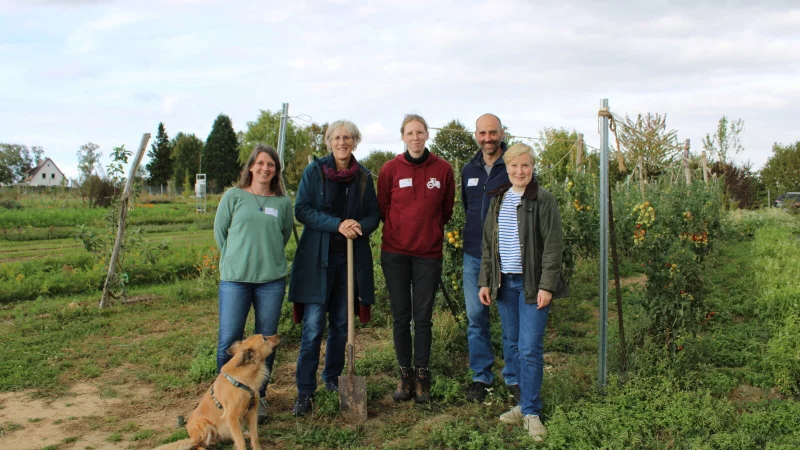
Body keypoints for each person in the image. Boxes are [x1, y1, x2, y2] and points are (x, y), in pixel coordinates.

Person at [288, 120, 380, 417]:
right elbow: (302, 209)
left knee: (342, 325)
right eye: (337, 137)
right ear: (328, 141)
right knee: (314, 328)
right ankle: (305, 390)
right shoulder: (314, 172)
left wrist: (357, 226)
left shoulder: (364, 177)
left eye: (348, 138)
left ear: (355, 141)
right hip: (318, 261)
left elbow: (373, 217)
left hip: (349, 263)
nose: (342, 142)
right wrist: (337, 224)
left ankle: (332, 379)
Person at [478, 143, 569, 440]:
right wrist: (486, 281)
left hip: (532, 286)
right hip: (505, 285)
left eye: (526, 165)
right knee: (513, 345)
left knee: (530, 348)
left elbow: (553, 247)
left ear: (533, 168)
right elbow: (489, 246)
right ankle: (521, 404)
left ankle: (531, 411)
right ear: (507, 168)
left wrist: (547, 285)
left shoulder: (543, 200)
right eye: (515, 166)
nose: (520, 171)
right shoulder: (499, 200)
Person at [213, 144, 294, 424]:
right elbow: (220, 233)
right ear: (250, 167)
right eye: (260, 163)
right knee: (229, 340)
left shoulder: (282, 202)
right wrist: (238, 258)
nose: (265, 168)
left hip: (271, 281)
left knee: (266, 341)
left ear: (276, 170)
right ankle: (222, 398)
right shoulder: (233, 196)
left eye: (270, 164)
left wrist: (264, 258)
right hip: (235, 280)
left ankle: (258, 399)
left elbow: (282, 235)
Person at [378, 114, 455, 404]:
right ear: (403, 136)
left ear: (427, 135)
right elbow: (384, 207)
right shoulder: (390, 169)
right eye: (410, 133)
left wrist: (430, 231)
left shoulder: (443, 169)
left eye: (420, 132)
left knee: (422, 318)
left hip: (428, 255)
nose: (415, 137)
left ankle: (423, 375)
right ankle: (405, 375)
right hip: (395, 253)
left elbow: (446, 209)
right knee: (401, 317)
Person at [460, 113, 516, 404]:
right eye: (482, 133)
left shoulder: (514, 165)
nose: (487, 138)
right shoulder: (468, 169)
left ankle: (514, 376)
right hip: (473, 254)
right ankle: (481, 376)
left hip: (506, 254)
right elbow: (468, 206)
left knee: (509, 318)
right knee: (476, 318)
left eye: (492, 133)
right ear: (476, 135)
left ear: (502, 132)